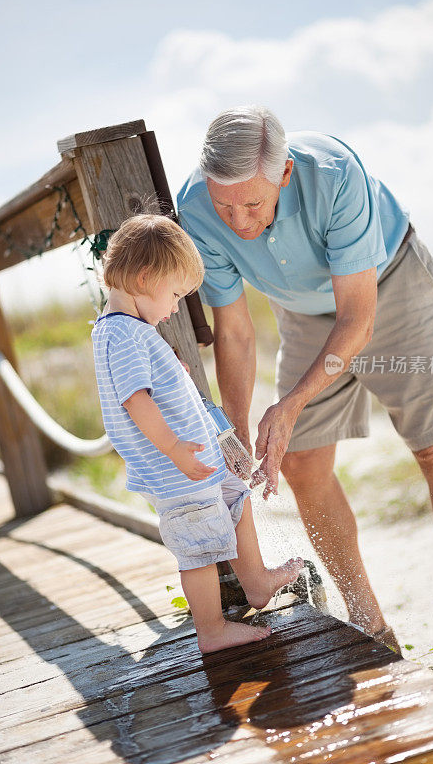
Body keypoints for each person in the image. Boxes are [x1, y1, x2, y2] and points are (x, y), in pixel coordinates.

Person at [177, 105, 433, 666]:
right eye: (226, 206)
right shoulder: (196, 209)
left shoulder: (336, 173)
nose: (239, 221)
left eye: (253, 204)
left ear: (285, 174)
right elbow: (236, 332)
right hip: (302, 311)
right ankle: (370, 625)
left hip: (386, 287)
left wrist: (291, 403)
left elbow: (358, 319)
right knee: (300, 462)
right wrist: (235, 431)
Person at [91, 213, 304, 653]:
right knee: (200, 550)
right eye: (174, 295)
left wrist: (174, 372)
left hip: (197, 465)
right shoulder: (124, 334)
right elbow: (135, 400)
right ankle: (211, 629)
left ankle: (257, 583)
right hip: (178, 471)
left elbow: (151, 386)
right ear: (145, 277)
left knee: (236, 499)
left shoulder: (129, 329)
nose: (173, 309)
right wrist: (173, 449)